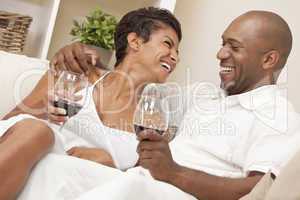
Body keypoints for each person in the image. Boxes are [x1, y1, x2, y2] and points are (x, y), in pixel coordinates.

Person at [37, 10, 299, 200]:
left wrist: (173, 173)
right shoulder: (203, 95)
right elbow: (129, 83)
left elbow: (262, 189)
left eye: (234, 47)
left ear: (269, 60)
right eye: (222, 44)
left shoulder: (278, 115)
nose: (220, 54)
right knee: (53, 169)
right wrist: (78, 56)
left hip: (172, 192)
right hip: (139, 181)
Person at [0, 7, 181, 200]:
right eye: (167, 44)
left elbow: (141, 184)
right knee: (37, 131)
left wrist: (109, 163)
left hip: (78, 190)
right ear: (135, 41)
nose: (175, 57)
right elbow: (8, 125)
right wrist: (43, 111)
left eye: (177, 52)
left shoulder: (153, 121)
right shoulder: (75, 73)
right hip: (24, 175)